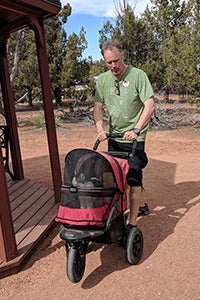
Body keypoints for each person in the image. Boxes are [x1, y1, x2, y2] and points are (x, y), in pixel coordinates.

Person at [93, 39, 155, 231]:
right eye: (109, 62)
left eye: (116, 61)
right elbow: (97, 108)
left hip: (134, 138)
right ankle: (121, 212)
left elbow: (150, 104)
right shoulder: (103, 80)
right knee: (115, 179)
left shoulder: (138, 75)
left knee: (133, 178)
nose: (113, 66)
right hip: (115, 137)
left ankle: (132, 224)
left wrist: (136, 129)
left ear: (123, 56)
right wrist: (100, 130)